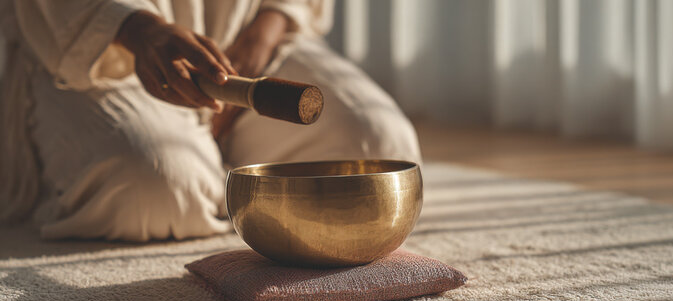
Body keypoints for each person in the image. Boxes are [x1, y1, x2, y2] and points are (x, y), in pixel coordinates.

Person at [0, 0, 421, 241]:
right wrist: (139, 31)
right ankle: (56, 167)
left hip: (247, 33)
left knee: (382, 152)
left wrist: (261, 36)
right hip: (107, 46)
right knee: (156, 188)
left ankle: (213, 165)